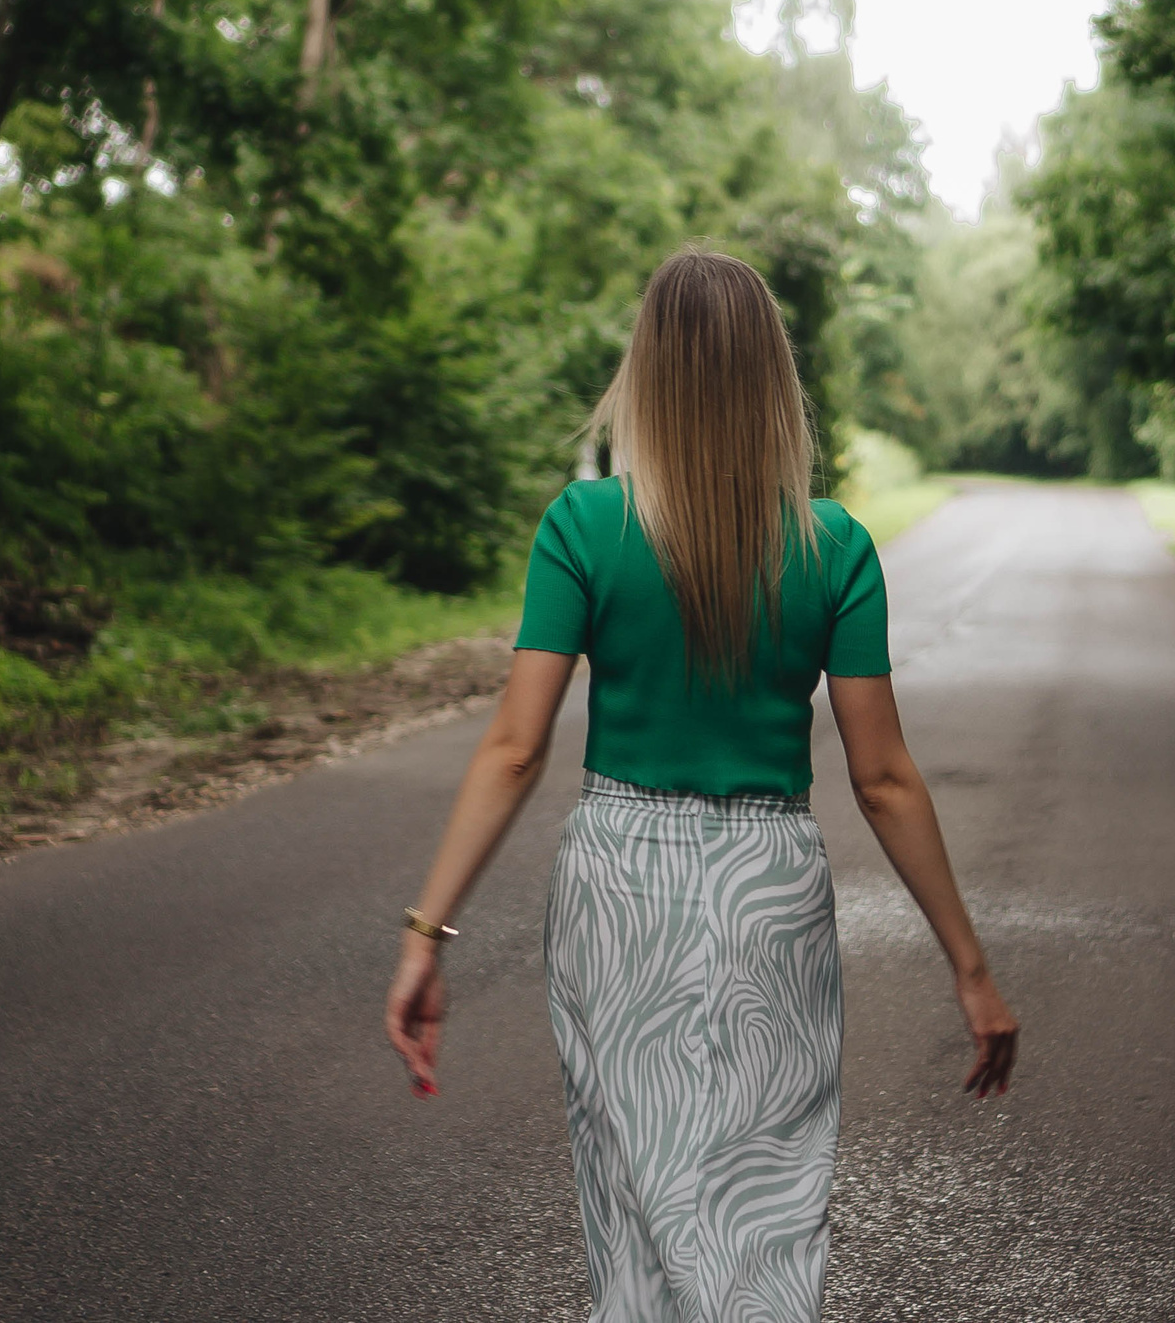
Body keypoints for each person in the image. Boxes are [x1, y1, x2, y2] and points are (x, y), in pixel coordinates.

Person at [384, 247, 1019, 1322]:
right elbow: (883, 779)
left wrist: (424, 935)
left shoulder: (582, 530)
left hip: (618, 883)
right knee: (762, 1213)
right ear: (774, 380)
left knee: (634, 1213)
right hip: (769, 884)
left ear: (647, 374)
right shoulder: (834, 547)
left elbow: (512, 748)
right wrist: (970, 968)